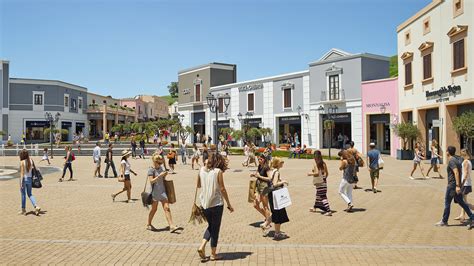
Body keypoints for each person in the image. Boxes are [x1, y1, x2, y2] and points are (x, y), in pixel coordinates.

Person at [196, 153, 234, 261]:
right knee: (215, 228)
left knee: (211, 226)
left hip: (204, 204)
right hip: (216, 204)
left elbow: (198, 185)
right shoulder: (218, 172)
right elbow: (222, 189)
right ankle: (213, 254)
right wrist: (229, 204)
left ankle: (202, 246)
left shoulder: (201, 170)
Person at [435, 146, 473, 229]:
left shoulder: (452, 160)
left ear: (448, 152)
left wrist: (457, 186)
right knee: (461, 202)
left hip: (452, 186)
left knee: (447, 203)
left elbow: (456, 172)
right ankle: (472, 217)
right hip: (455, 185)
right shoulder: (457, 159)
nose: (446, 152)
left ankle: (444, 221)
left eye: (446, 151)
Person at [147, 153, 180, 232]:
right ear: (154, 162)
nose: (160, 164)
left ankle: (171, 226)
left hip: (162, 191)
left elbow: (162, 178)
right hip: (155, 192)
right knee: (154, 209)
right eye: (158, 163)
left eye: (161, 163)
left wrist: (165, 175)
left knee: (167, 208)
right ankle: (148, 224)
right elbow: (151, 181)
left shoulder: (161, 168)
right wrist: (159, 176)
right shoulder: (151, 170)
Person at [260, 157, 290, 240]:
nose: (282, 164)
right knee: (278, 213)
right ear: (278, 164)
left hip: (271, 194)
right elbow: (275, 183)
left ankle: (266, 224)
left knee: (275, 212)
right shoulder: (276, 172)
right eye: (281, 162)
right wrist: (283, 181)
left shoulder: (272, 171)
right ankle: (277, 233)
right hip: (276, 194)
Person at [250, 154, 272, 229]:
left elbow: (270, 178)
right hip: (259, 187)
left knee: (265, 206)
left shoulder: (266, 167)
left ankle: (268, 221)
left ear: (264, 160)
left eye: (261, 159)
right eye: (258, 159)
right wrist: (254, 175)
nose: (259, 160)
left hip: (265, 187)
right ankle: (268, 219)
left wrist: (259, 176)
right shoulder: (259, 166)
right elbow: (257, 174)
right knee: (255, 205)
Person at [307, 150, 332, 215]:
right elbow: (327, 173)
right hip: (324, 181)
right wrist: (324, 179)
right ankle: (314, 207)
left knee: (323, 196)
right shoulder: (323, 163)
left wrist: (310, 174)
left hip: (319, 182)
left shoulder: (316, 163)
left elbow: (317, 173)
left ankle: (328, 210)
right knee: (318, 195)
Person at [18, 149, 41, 215]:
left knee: (23, 195)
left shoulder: (22, 162)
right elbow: (35, 169)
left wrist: (21, 184)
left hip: (24, 180)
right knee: (30, 194)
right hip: (30, 179)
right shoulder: (31, 160)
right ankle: (36, 206)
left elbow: (22, 173)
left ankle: (23, 210)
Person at [454, 149, 473, 223]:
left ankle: (471, 208)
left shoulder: (465, 162)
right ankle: (462, 215)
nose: (460, 155)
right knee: (463, 200)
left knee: (461, 200)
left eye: (461, 153)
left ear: (464, 154)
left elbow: (465, 174)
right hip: (467, 183)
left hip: (465, 184)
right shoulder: (468, 161)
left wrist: (461, 184)